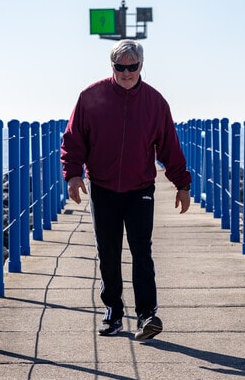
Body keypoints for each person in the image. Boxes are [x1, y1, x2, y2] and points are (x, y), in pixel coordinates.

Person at [60, 39, 192, 340]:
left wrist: (182, 184)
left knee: (141, 251)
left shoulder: (155, 102)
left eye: (132, 67)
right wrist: (73, 175)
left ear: (141, 66)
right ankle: (114, 312)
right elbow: (73, 139)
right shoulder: (90, 97)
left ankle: (147, 315)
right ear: (112, 67)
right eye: (120, 67)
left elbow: (169, 147)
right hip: (103, 187)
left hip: (140, 188)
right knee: (108, 252)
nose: (126, 73)